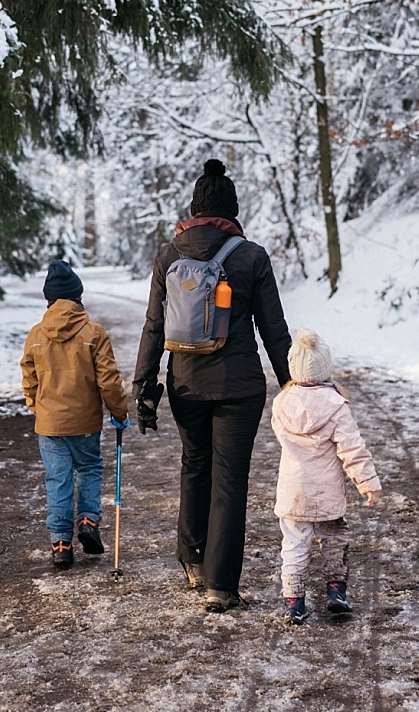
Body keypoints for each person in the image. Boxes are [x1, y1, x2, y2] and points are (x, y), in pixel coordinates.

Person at [132, 158, 292, 612]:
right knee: (230, 481)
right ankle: (221, 585)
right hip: (239, 389)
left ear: (194, 208)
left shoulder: (168, 256)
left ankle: (192, 560)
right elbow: (274, 330)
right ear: (232, 210)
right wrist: (293, 386)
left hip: (185, 385)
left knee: (194, 466)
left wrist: (144, 386)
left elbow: (152, 327)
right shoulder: (251, 256)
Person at [20, 260, 129, 569]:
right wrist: (119, 411)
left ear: (48, 300)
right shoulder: (93, 333)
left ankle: (61, 543)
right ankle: (88, 521)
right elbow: (108, 379)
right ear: (78, 296)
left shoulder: (36, 335)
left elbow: (29, 377)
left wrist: (36, 407)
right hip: (84, 424)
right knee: (90, 468)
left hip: (50, 424)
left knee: (58, 480)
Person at [272, 327, 382, 624]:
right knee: (334, 539)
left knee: (294, 545)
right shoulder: (336, 406)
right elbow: (352, 449)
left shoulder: (282, 402)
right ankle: (336, 590)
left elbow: (282, 437)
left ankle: (294, 602)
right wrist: (368, 484)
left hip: (293, 491)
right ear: (325, 368)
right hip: (327, 491)